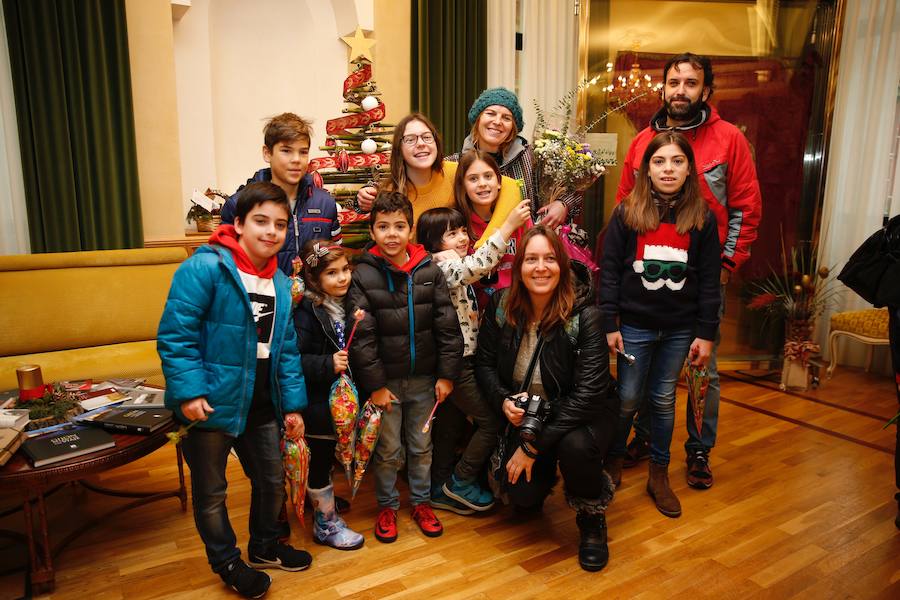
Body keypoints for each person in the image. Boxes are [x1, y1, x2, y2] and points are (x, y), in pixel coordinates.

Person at [157, 182, 311, 599]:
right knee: (212, 494)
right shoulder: (205, 268)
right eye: (260, 221)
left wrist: (293, 405)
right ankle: (226, 561)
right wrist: (189, 393)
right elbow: (177, 335)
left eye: (280, 224)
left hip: (260, 405)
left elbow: (287, 351)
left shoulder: (280, 282)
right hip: (209, 407)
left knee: (271, 482)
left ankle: (264, 546)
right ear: (239, 223)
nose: (270, 232)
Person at [616, 53, 762, 489]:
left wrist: (726, 265)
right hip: (647, 281)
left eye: (691, 83)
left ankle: (699, 450)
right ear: (663, 88)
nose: (681, 90)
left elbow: (746, 209)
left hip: (701, 281)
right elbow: (625, 206)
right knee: (644, 369)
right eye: (673, 81)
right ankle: (642, 438)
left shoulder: (729, 139)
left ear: (706, 91)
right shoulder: (642, 142)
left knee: (702, 370)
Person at [475, 226, 618, 572]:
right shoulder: (501, 305)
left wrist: (530, 446)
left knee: (576, 448)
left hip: (578, 418)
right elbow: (484, 364)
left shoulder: (586, 315)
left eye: (550, 259)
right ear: (519, 266)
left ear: (563, 265)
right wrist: (503, 401)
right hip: (529, 416)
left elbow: (588, 396)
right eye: (532, 259)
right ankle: (545, 474)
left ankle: (591, 516)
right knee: (521, 499)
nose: (541, 268)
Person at [601, 132, 721, 518]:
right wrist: (609, 322)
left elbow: (708, 280)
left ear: (689, 169)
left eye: (677, 161)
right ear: (646, 169)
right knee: (628, 398)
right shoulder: (626, 213)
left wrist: (705, 333)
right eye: (659, 161)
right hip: (634, 326)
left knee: (664, 399)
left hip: (679, 329)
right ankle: (614, 460)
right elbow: (610, 273)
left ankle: (658, 472)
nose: (668, 169)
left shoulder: (702, 219)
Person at [346, 191, 464, 543]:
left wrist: (446, 375)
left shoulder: (429, 270)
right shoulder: (363, 275)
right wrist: (376, 385)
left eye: (400, 226)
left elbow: (447, 324)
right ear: (373, 230)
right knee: (387, 451)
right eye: (383, 226)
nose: (392, 234)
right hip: (387, 385)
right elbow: (362, 338)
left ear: (411, 230)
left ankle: (422, 502)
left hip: (426, 381)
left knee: (421, 447)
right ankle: (387, 505)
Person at [416, 198, 531, 514]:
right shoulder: (441, 265)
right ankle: (460, 481)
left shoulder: (448, 263)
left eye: (463, 230)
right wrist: (508, 226)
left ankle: (439, 487)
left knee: (450, 424)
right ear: (433, 243)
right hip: (456, 363)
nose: (463, 237)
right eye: (452, 233)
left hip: (459, 360)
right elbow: (474, 267)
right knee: (489, 421)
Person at [292, 240, 365, 551]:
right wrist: (327, 363)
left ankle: (322, 501)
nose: (343, 278)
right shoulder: (307, 312)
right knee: (320, 459)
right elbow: (294, 358)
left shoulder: (348, 303)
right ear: (314, 279)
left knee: (329, 456)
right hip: (317, 401)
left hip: (338, 401)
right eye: (332, 273)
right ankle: (326, 524)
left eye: (346, 270)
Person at [354, 113, 520, 243]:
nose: (420, 144)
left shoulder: (454, 172)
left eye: (427, 137)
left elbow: (510, 186)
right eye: (410, 139)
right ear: (399, 149)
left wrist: (487, 242)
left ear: (436, 142)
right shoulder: (391, 192)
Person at [221, 112, 342, 274]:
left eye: (303, 152)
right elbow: (225, 266)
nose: (296, 159)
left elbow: (335, 256)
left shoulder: (325, 203)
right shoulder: (240, 204)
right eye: (286, 151)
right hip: (263, 296)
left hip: (313, 298)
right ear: (267, 153)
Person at [448, 87, 582, 230]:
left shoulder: (531, 157)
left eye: (506, 118)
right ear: (478, 119)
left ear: (513, 128)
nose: (498, 121)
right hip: (473, 247)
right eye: (490, 113)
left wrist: (563, 204)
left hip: (525, 245)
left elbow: (571, 185)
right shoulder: (454, 164)